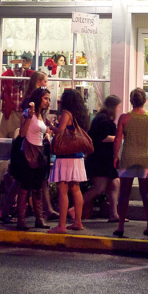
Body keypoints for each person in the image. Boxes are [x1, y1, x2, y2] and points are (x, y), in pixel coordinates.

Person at [113, 88, 148, 238]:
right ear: (145, 101)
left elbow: (118, 139)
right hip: (146, 159)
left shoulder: (124, 118)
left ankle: (121, 226)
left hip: (128, 158)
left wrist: (115, 156)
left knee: (124, 193)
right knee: (146, 192)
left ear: (131, 101)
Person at [48, 89, 92, 234]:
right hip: (77, 156)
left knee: (62, 189)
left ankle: (61, 225)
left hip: (65, 156)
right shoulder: (80, 115)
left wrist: (50, 126)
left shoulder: (66, 114)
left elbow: (60, 133)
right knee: (76, 189)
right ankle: (78, 222)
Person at [11, 86, 51, 230]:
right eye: (45, 98)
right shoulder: (27, 114)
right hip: (27, 154)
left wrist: (47, 135)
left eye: (48, 98)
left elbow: (42, 132)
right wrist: (28, 117)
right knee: (24, 188)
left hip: (40, 153)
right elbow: (22, 134)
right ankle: (21, 220)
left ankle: (39, 219)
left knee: (37, 188)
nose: (48, 101)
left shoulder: (42, 116)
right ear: (38, 98)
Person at [84, 94, 122, 222]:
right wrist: (119, 137)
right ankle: (74, 209)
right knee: (99, 188)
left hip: (102, 159)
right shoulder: (104, 120)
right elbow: (103, 138)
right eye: (117, 107)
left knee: (115, 183)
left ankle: (114, 214)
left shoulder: (100, 118)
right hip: (101, 159)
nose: (118, 109)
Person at [0, 58, 33, 139]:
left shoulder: (30, 75)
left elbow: (1, 94)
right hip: (10, 113)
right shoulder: (6, 75)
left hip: (26, 112)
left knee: (24, 137)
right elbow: (0, 94)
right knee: (5, 138)